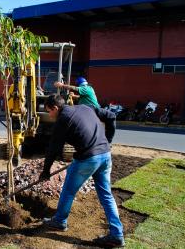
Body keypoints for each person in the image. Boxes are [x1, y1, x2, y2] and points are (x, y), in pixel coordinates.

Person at [40, 94, 124, 248]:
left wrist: (45, 171)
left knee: (68, 190)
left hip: (87, 158)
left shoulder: (62, 120)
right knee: (106, 194)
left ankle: (59, 221)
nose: (49, 115)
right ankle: (117, 234)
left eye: (49, 111)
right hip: (105, 155)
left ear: (56, 108)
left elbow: (53, 149)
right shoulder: (86, 107)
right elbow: (111, 116)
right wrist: (108, 141)